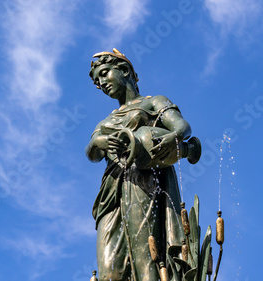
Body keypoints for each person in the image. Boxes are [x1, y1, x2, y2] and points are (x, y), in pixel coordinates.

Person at [86, 49, 193, 281]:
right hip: (111, 191)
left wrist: (171, 137)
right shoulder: (106, 121)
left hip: (142, 180)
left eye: (105, 74)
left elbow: (183, 128)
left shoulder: (154, 102)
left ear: (124, 70)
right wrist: (99, 141)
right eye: (98, 81)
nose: (102, 83)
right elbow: (92, 153)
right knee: (109, 271)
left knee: (146, 256)